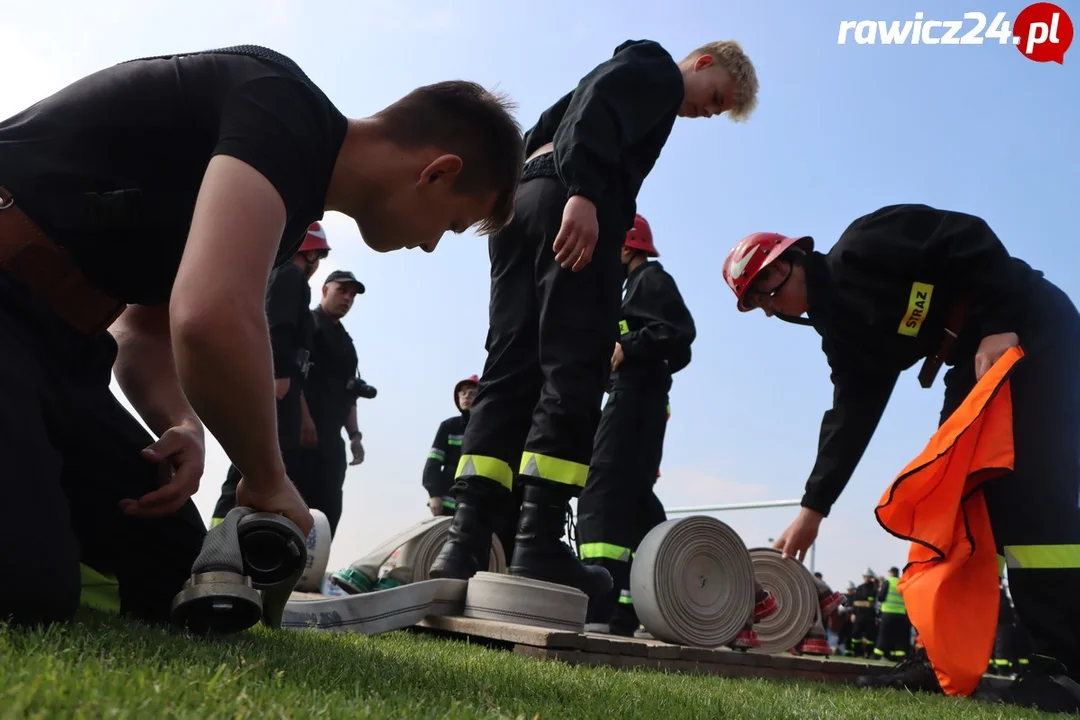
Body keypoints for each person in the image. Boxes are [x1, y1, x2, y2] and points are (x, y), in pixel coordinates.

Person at [0, 44, 524, 628]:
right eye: (449, 225)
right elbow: (209, 316)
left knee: (176, 573)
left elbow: (144, 327)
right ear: (438, 172)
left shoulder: (286, 204)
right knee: (28, 591)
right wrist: (269, 479)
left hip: (56, 353)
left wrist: (181, 421)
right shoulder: (281, 103)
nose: (430, 244)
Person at [430, 39, 760, 601]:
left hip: (523, 202)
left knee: (510, 368)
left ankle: (462, 545)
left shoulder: (616, 77)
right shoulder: (656, 68)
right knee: (574, 369)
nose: (705, 112)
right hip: (571, 200)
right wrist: (582, 193)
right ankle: (535, 546)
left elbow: (546, 126)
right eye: (715, 99)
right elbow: (600, 106)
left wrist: (518, 196)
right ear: (704, 63)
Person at [721, 203, 1080, 711]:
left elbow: (968, 237)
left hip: (1034, 328)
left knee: (1035, 504)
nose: (770, 307)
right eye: (759, 303)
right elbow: (851, 416)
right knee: (947, 503)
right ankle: (942, 659)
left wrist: (1001, 323)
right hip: (973, 359)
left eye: (765, 291)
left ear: (787, 262)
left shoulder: (870, 241)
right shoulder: (842, 335)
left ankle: (1064, 667)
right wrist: (813, 508)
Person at [575, 214, 696, 635]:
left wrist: (630, 346)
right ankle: (635, 601)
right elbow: (676, 351)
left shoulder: (650, 279)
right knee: (635, 498)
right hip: (640, 399)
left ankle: (598, 603)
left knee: (603, 489)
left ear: (626, 248)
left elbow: (680, 333)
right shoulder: (634, 286)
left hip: (635, 398)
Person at [210, 221, 329, 526]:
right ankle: (220, 544)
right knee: (252, 471)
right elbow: (278, 325)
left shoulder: (283, 277)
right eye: (319, 255)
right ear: (310, 253)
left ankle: (231, 543)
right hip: (276, 390)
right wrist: (276, 378)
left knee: (257, 471)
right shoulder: (291, 276)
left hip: (279, 391)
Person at [300, 270, 372, 537]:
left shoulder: (346, 342)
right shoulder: (307, 323)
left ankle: (311, 576)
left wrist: (355, 436)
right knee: (295, 506)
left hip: (331, 441)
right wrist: (304, 419)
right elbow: (293, 374)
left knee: (328, 513)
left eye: (352, 295)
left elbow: (349, 391)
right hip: (301, 434)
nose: (348, 298)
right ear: (324, 290)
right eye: (342, 290)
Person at [423, 376, 480, 517]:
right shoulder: (448, 426)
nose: (466, 396)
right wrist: (434, 495)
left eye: (472, 393)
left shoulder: (485, 428)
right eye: (463, 393)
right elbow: (433, 462)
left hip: (476, 502)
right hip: (447, 502)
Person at [874, 567, 912, 661]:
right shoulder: (902, 583)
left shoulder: (888, 582)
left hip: (888, 614)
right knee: (899, 638)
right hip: (901, 615)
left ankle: (876, 656)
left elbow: (881, 597)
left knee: (883, 635)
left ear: (891, 573)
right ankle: (899, 658)